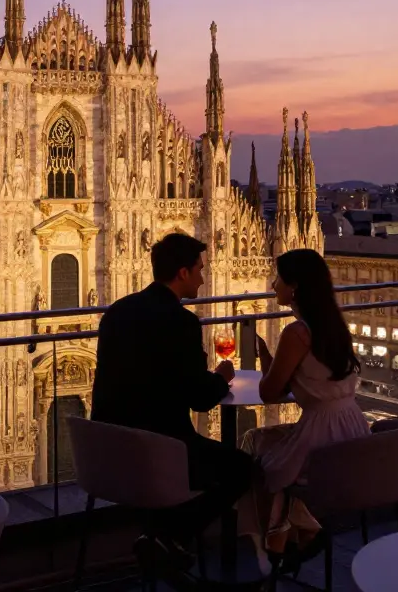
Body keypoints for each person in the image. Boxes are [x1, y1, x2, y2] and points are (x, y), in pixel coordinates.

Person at [90, 232, 253, 559]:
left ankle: (161, 537)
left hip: (106, 452)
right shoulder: (182, 322)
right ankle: (173, 535)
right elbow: (201, 400)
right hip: (160, 454)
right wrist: (221, 378)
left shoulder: (117, 311)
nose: (203, 279)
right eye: (200, 270)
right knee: (244, 469)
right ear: (183, 273)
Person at [238, 248, 370, 571]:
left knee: (258, 459)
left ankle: (280, 543)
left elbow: (269, 393)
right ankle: (288, 540)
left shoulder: (296, 333)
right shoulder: (334, 325)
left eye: (278, 279)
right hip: (354, 433)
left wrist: (265, 358)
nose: (273, 285)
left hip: (321, 438)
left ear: (295, 287)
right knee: (262, 445)